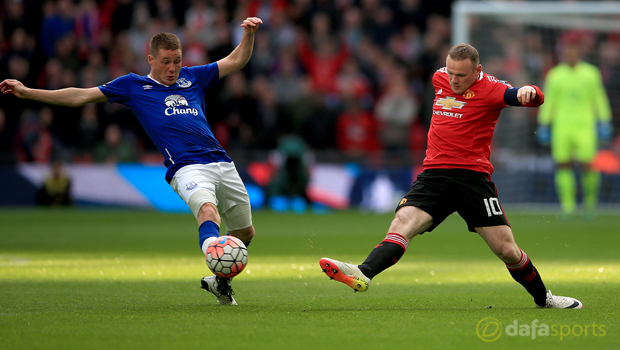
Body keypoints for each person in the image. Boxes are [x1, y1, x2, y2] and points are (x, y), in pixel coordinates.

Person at [1, 17, 264, 306]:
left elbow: (236, 61)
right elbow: (80, 96)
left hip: (221, 162)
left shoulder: (193, 77)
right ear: (150, 58)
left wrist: (248, 34)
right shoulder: (133, 86)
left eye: (176, 61)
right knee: (207, 211)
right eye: (165, 61)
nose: (172, 68)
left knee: (244, 233)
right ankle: (212, 252)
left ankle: (220, 282)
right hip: (186, 167)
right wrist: (28, 92)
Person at [319, 43, 583, 309]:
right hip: (435, 175)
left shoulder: (492, 89)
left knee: (506, 249)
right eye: (451, 73)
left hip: (472, 179)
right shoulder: (439, 78)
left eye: (461, 75)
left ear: (477, 70)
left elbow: (534, 97)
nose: (454, 80)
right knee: (403, 221)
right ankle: (363, 272)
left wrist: (531, 92)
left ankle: (544, 298)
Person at [537, 38, 612, 220]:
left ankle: (590, 205)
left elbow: (598, 98)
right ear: (563, 53)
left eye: (574, 50)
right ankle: (567, 207)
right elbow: (549, 101)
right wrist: (544, 124)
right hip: (562, 126)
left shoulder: (591, 73)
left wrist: (604, 120)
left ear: (579, 53)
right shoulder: (555, 75)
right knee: (563, 165)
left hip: (585, 126)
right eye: (567, 51)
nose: (570, 54)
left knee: (588, 166)